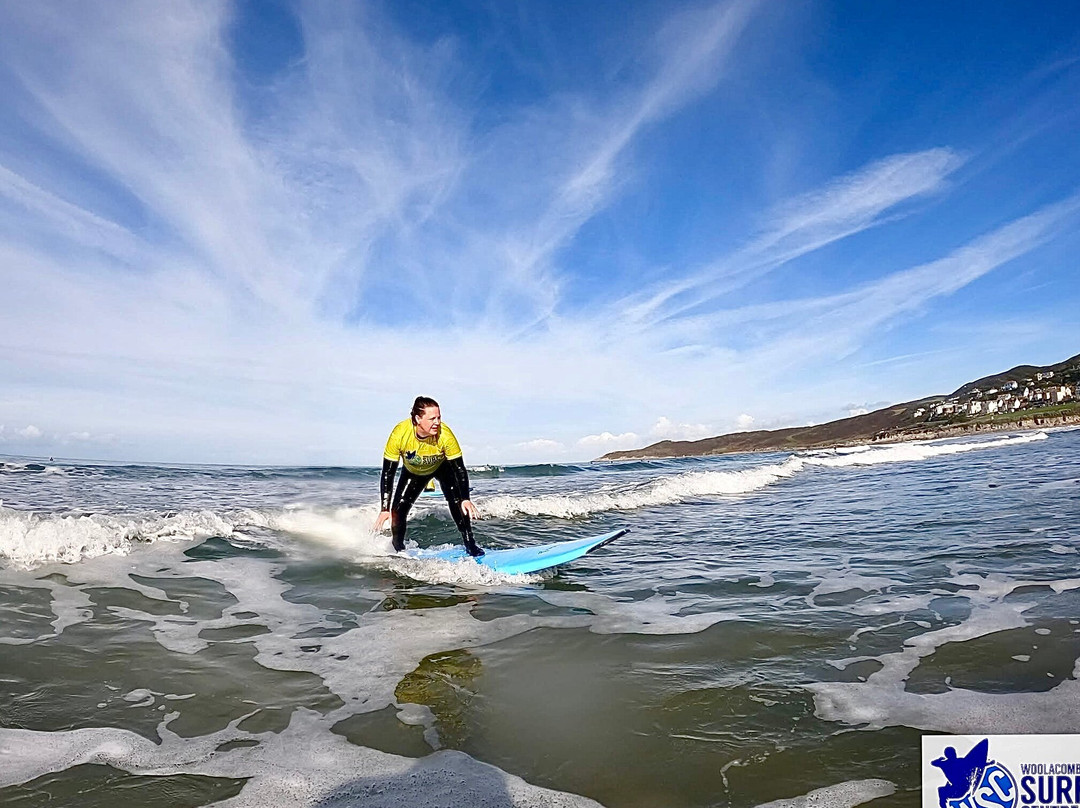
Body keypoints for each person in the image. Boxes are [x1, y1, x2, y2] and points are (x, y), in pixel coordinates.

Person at [374, 396, 484, 556]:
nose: (437, 422)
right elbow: (387, 473)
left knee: (457, 503)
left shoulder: (445, 435)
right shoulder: (400, 434)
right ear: (418, 419)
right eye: (432, 418)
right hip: (413, 472)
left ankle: (470, 544)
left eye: (439, 417)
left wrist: (465, 498)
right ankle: (398, 549)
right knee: (397, 510)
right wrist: (385, 508)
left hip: (441, 467)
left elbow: (459, 469)